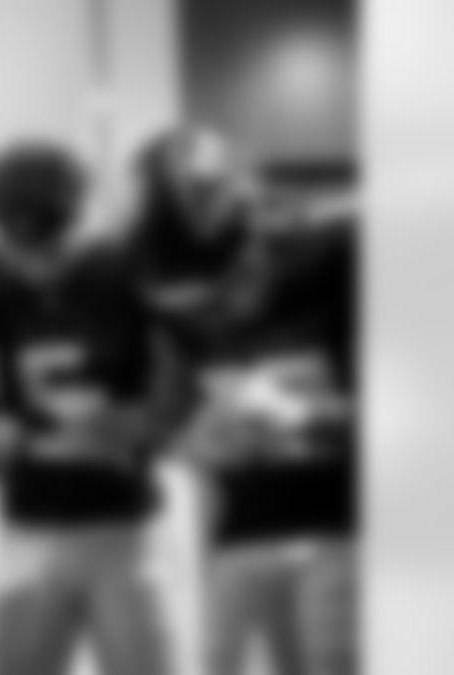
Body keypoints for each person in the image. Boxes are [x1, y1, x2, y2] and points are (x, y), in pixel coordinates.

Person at [131, 126, 357, 675]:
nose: (211, 314)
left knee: (332, 654)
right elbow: (169, 419)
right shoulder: (173, 302)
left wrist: (316, 416)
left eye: (222, 294)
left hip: (349, 517)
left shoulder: (337, 262)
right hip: (250, 521)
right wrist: (194, 441)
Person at [0, 140, 173, 675]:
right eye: (18, 243)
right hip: (29, 514)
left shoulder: (124, 268)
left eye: (48, 240)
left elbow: (180, 375)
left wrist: (149, 420)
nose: (36, 261)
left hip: (120, 515)